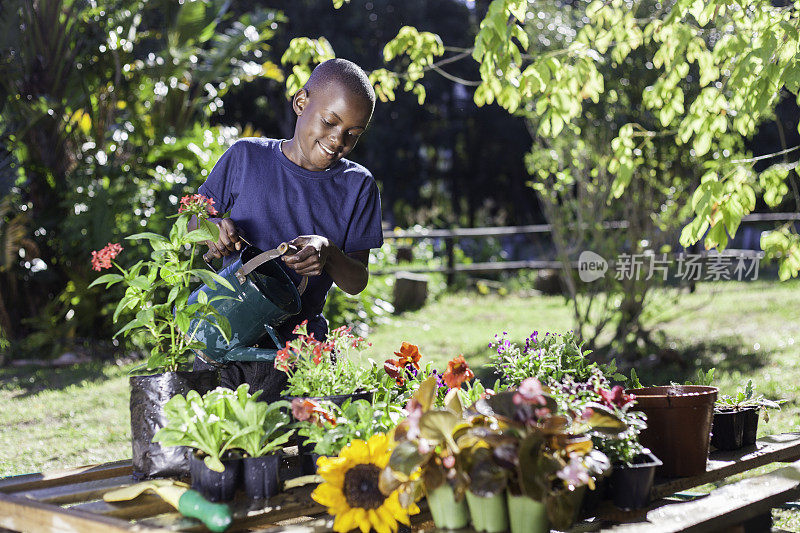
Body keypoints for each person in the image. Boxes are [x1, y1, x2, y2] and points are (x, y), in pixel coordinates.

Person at [193, 58, 383, 401]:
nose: (337, 140)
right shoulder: (246, 157)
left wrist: (328, 252)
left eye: (352, 135)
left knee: (293, 449)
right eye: (329, 122)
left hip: (300, 351)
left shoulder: (358, 186)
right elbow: (192, 221)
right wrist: (213, 229)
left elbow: (357, 281)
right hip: (223, 335)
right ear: (301, 103)